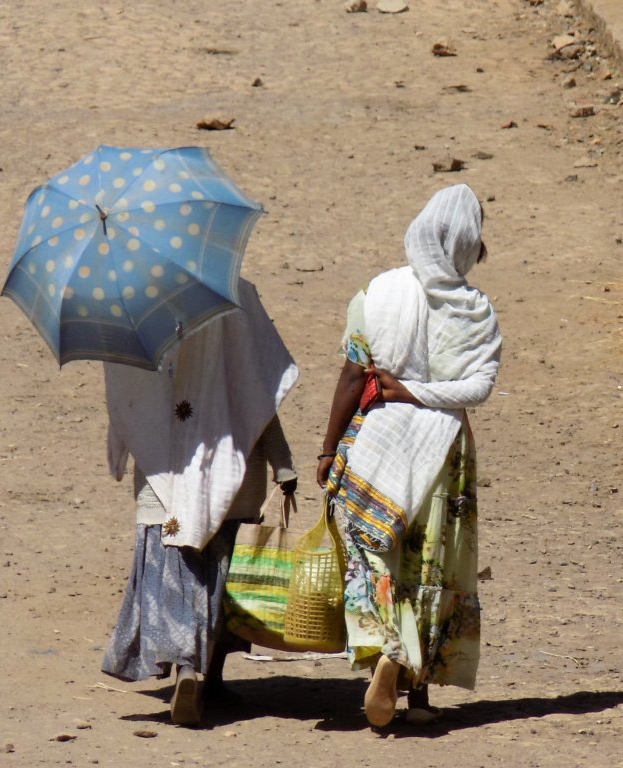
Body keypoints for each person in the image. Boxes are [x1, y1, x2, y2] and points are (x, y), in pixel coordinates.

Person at [316, 184, 501, 727]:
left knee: (371, 547)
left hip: (380, 438)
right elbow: (480, 387)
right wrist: (426, 393)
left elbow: (353, 375)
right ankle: (419, 696)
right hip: (446, 449)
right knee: (433, 561)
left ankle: (387, 647)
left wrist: (329, 449)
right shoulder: (477, 311)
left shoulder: (375, 295)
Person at [101, 279, 299, 726]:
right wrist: (282, 463)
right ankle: (214, 679)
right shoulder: (238, 293)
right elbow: (259, 386)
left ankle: (185, 668)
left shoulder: (137, 300)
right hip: (232, 461)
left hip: (165, 463)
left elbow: (126, 388)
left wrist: (122, 442)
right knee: (222, 571)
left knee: (175, 566)